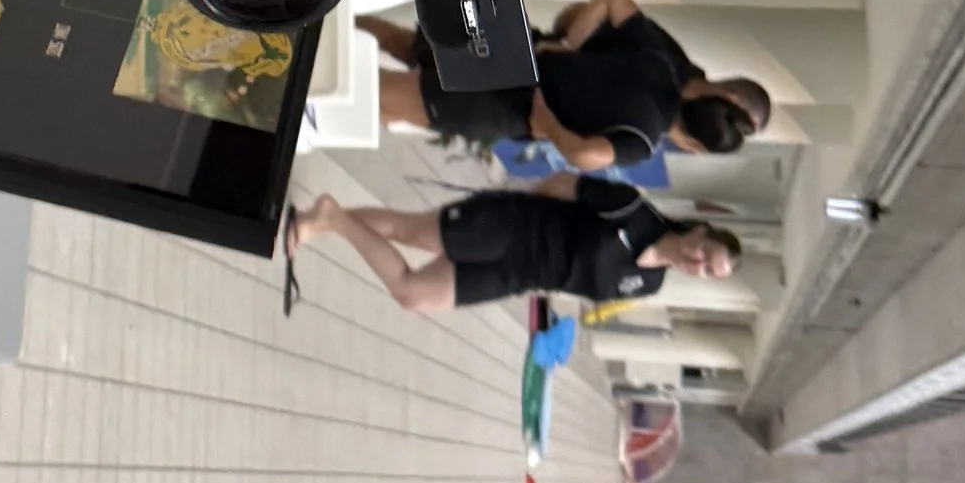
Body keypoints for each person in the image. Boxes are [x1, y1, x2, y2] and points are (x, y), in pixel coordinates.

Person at [361, 0, 770, 172]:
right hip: (509, 96)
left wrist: (569, 48)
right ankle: (309, 45)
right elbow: (585, 155)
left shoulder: (662, 64)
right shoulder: (647, 130)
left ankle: (314, 29)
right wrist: (551, 125)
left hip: (517, 58)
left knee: (393, 72)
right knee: (382, 87)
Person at [284, 181, 742, 315]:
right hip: (513, 228)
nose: (697, 264)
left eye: (707, 272)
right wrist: (514, 209)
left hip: (518, 276)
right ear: (700, 232)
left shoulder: (649, 283)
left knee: (412, 294)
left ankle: (330, 218)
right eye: (707, 256)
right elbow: (565, 184)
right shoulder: (633, 208)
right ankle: (320, 222)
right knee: (407, 230)